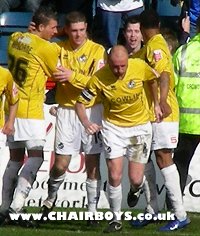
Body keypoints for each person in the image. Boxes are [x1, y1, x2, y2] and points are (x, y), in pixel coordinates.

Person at [75, 45, 162, 233]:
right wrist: (86, 122)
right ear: (108, 63)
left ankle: (135, 189)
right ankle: (115, 219)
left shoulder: (139, 66)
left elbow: (153, 80)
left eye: (123, 66)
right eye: (115, 67)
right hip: (113, 129)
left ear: (128, 62)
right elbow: (80, 103)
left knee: (136, 178)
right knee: (114, 175)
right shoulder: (99, 78)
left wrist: (156, 103)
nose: (119, 71)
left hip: (139, 128)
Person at [40, 11, 107, 225]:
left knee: (92, 162)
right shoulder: (59, 49)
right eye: (74, 30)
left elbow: (97, 83)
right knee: (60, 164)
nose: (78, 35)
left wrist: (72, 77)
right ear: (66, 30)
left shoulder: (97, 50)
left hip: (91, 110)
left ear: (86, 28)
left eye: (81, 30)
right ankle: (51, 196)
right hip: (67, 111)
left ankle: (92, 212)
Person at [129, 9, 190, 231]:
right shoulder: (149, 47)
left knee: (164, 158)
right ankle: (152, 209)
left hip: (163, 112)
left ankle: (180, 214)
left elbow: (163, 74)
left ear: (143, 28)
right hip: (150, 113)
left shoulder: (156, 45)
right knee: (145, 159)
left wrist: (161, 101)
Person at [0, 6, 60, 225]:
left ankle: (4, 208)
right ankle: (16, 208)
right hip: (30, 109)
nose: (56, 31)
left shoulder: (15, 38)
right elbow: (58, 73)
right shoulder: (46, 48)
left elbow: (26, 38)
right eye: (53, 27)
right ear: (41, 27)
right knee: (36, 157)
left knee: (15, 158)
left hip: (11, 107)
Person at [172, 15, 200, 199]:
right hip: (187, 123)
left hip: (186, 123)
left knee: (179, 168)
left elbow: (170, 89)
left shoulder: (183, 51)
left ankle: (175, 211)